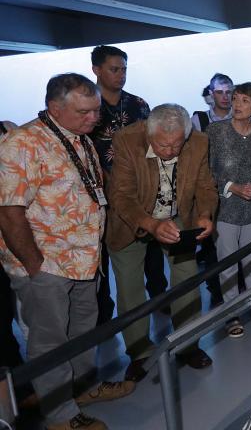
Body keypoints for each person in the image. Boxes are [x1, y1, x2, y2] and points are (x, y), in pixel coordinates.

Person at [0, 73, 135, 430]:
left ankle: (83, 389)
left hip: (85, 261)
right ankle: (60, 416)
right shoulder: (21, 144)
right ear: (54, 108)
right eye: (84, 112)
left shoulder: (78, 137)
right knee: (50, 344)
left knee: (83, 333)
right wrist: (34, 266)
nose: (95, 118)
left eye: (95, 110)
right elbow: (8, 211)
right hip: (47, 266)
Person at [107, 104, 217, 382]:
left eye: (176, 145)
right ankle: (139, 352)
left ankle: (187, 344)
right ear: (148, 133)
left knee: (187, 278)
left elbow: (205, 186)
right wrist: (152, 224)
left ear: (187, 136)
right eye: (161, 145)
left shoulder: (200, 142)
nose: (169, 151)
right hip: (133, 219)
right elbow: (121, 196)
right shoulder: (126, 139)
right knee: (130, 288)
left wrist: (204, 214)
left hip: (177, 214)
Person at [88, 45, 166, 324]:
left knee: (153, 250)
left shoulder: (138, 105)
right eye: (114, 69)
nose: (120, 75)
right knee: (108, 254)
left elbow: (152, 147)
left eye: (124, 69)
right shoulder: (88, 109)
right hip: (99, 195)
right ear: (96, 70)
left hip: (142, 190)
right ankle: (104, 312)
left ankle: (159, 296)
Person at [207, 82, 251, 338]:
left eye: (244, 100)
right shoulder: (215, 131)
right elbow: (208, 171)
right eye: (235, 98)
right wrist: (233, 187)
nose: (236, 104)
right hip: (225, 206)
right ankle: (232, 313)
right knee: (228, 263)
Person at [191, 73, 235, 306]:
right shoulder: (198, 120)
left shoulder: (239, 118)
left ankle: (242, 293)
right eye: (220, 92)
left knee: (239, 246)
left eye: (229, 91)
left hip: (236, 192)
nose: (225, 97)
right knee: (211, 248)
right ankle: (218, 294)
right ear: (210, 94)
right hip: (209, 192)